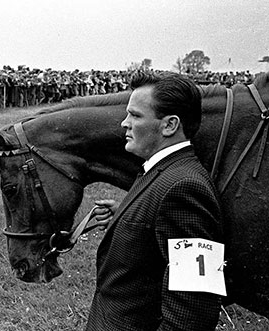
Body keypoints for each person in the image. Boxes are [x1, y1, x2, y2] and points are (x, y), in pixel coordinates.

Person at [86, 72, 224, 331]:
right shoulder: (163, 169)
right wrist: (126, 216)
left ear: (170, 125)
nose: (124, 124)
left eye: (135, 116)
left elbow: (194, 311)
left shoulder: (185, 187)